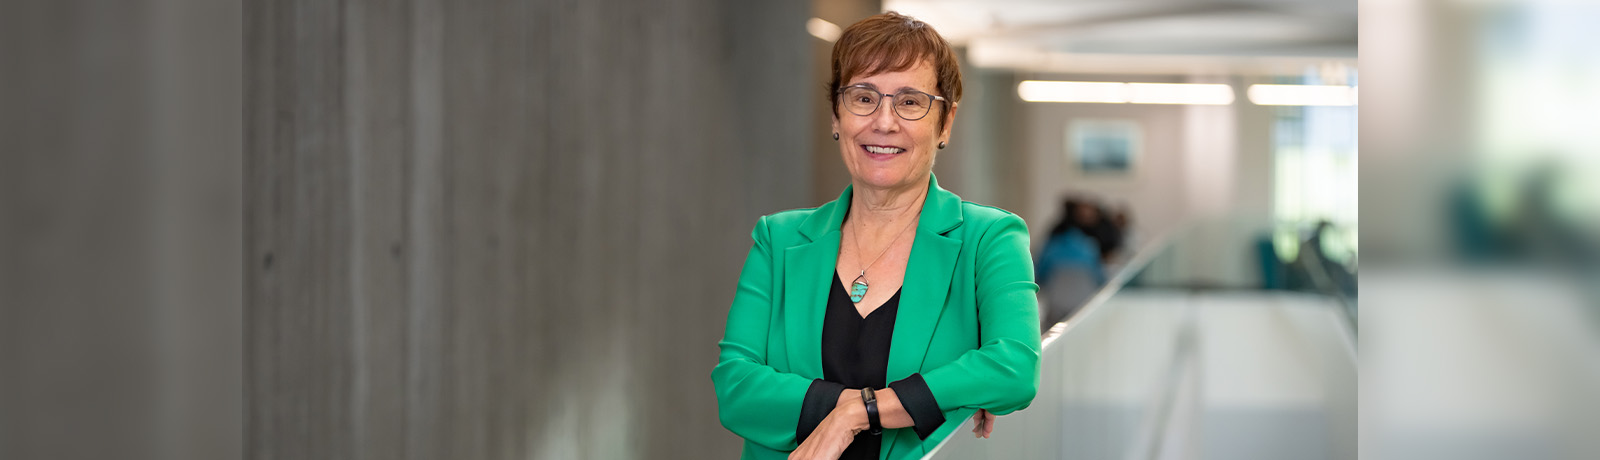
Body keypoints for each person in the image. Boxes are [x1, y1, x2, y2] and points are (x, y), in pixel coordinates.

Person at [711, 12, 1041, 460]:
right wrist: (926, 398)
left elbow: (1014, 368)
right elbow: (736, 386)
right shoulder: (778, 239)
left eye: (909, 102)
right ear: (836, 115)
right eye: (863, 97)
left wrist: (856, 415)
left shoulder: (989, 238)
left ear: (944, 123)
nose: (883, 123)